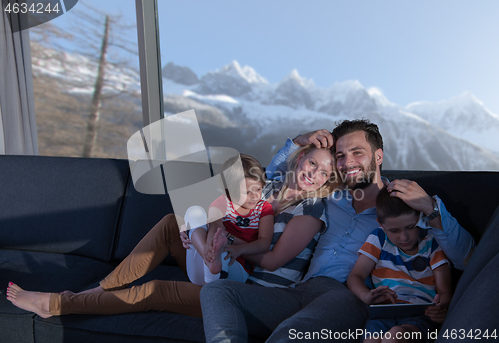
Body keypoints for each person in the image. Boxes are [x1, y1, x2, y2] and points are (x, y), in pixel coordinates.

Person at [200, 119, 475, 343]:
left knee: (290, 335)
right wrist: (298, 142)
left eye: (357, 152)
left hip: (347, 297)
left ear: (378, 156)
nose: (347, 162)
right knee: (217, 292)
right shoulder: (329, 196)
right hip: (299, 290)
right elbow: (271, 181)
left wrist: (431, 207)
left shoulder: (400, 206)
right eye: (341, 156)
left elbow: (466, 257)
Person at [6, 145, 338, 320]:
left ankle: (58, 305)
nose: (315, 174)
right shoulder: (265, 188)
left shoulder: (312, 209)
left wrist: (223, 245)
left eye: (325, 172)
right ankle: (86, 295)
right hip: (218, 264)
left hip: (251, 290)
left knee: (157, 291)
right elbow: (219, 212)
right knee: (170, 222)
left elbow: (272, 258)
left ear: (328, 181)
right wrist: (198, 237)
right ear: (299, 160)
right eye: (312, 163)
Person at [347, 186, 453, 343]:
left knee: (395, 335)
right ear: (381, 225)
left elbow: (445, 291)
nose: (404, 237)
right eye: (394, 231)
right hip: (383, 314)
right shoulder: (379, 239)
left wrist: (441, 307)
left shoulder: (431, 243)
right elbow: (356, 276)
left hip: (420, 316)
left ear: (420, 218)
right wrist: (366, 295)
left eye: (410, 227)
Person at [185, 153, 274, 286]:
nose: (254, 196)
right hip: (201, 268)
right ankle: (209, 257)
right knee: (194, 212)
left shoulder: (264, 209)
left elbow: (264, 243)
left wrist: (240, 249)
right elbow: (215, 227)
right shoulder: (221, 203)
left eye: (258, 189)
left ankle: (213, 270)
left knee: (222, 245)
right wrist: (211, 249)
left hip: (236, 268)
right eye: (247, 192)